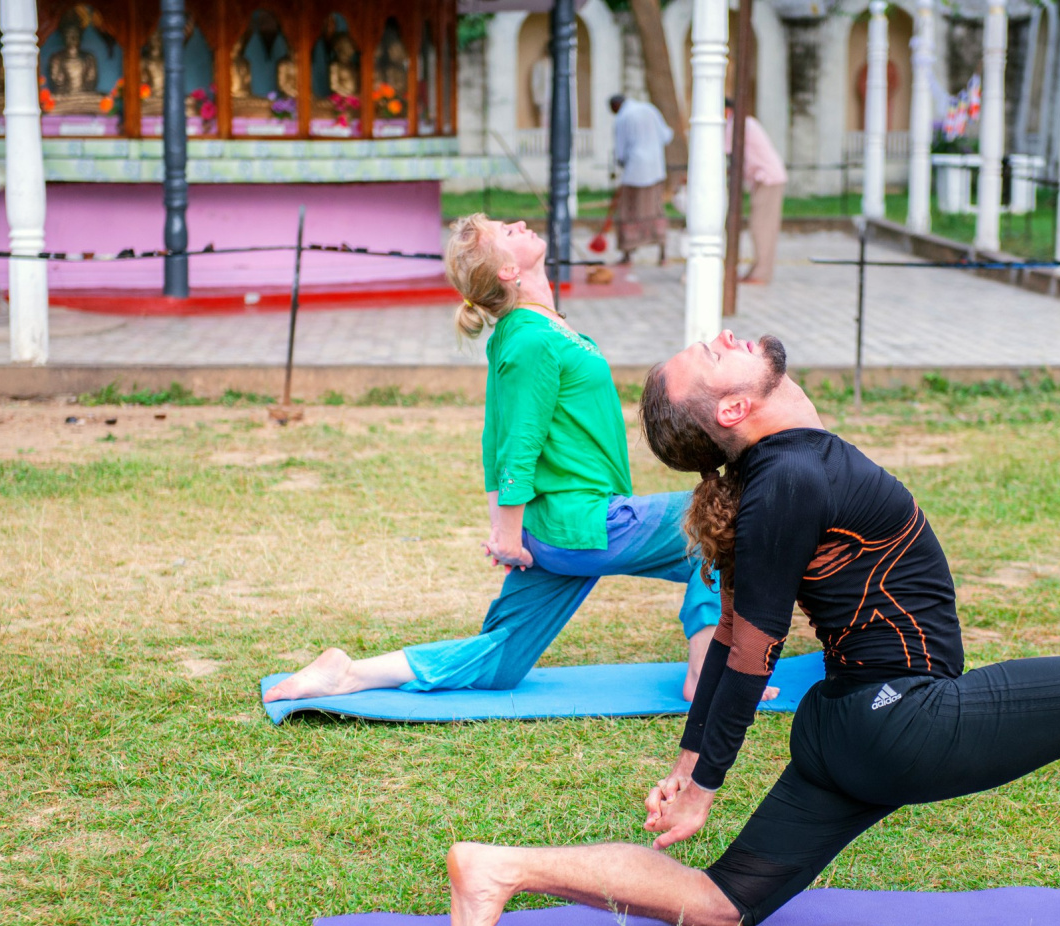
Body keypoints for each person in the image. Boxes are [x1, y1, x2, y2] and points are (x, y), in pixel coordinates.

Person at [445, 329, 1060, 926]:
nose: (725, 335)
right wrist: (701, 783)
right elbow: (749, 651)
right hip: (902, 719)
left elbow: (729, 635)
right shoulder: (788, 481)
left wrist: (692, 757)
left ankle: (501, 866)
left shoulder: (775, 478)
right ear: (730, 410)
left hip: (851, 725)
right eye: (712, 354)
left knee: (723, 903)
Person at [266, 216, 766, 705]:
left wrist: (505, 529)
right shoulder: (530, 338)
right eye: (508, 231)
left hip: (561, 527)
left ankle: (348, 674)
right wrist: (506, 533)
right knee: (724, 525)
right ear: (508, 270)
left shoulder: (530, 330)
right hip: (582, 522)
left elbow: (494, 436)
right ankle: (706, 671)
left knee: (502, 659)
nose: (521, 224)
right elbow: (515, 447)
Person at [724, 98, 787, 284]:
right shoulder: (744, 122)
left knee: (761, 227)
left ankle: (761, 273)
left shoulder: (736, 125)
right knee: (760, 226)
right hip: (765, 179)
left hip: (767, 179)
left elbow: (721, 150)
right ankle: (757, 271)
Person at [609, 94, 673, 266]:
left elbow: (620, 151)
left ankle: (627, 254)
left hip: (634, 171)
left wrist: (621, 163)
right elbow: (666, 136)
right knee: (656, 209)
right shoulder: (649, 109)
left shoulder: (623, 118)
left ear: (616, 106)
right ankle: (663, 254)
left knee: (629, 212)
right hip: (656, 169)